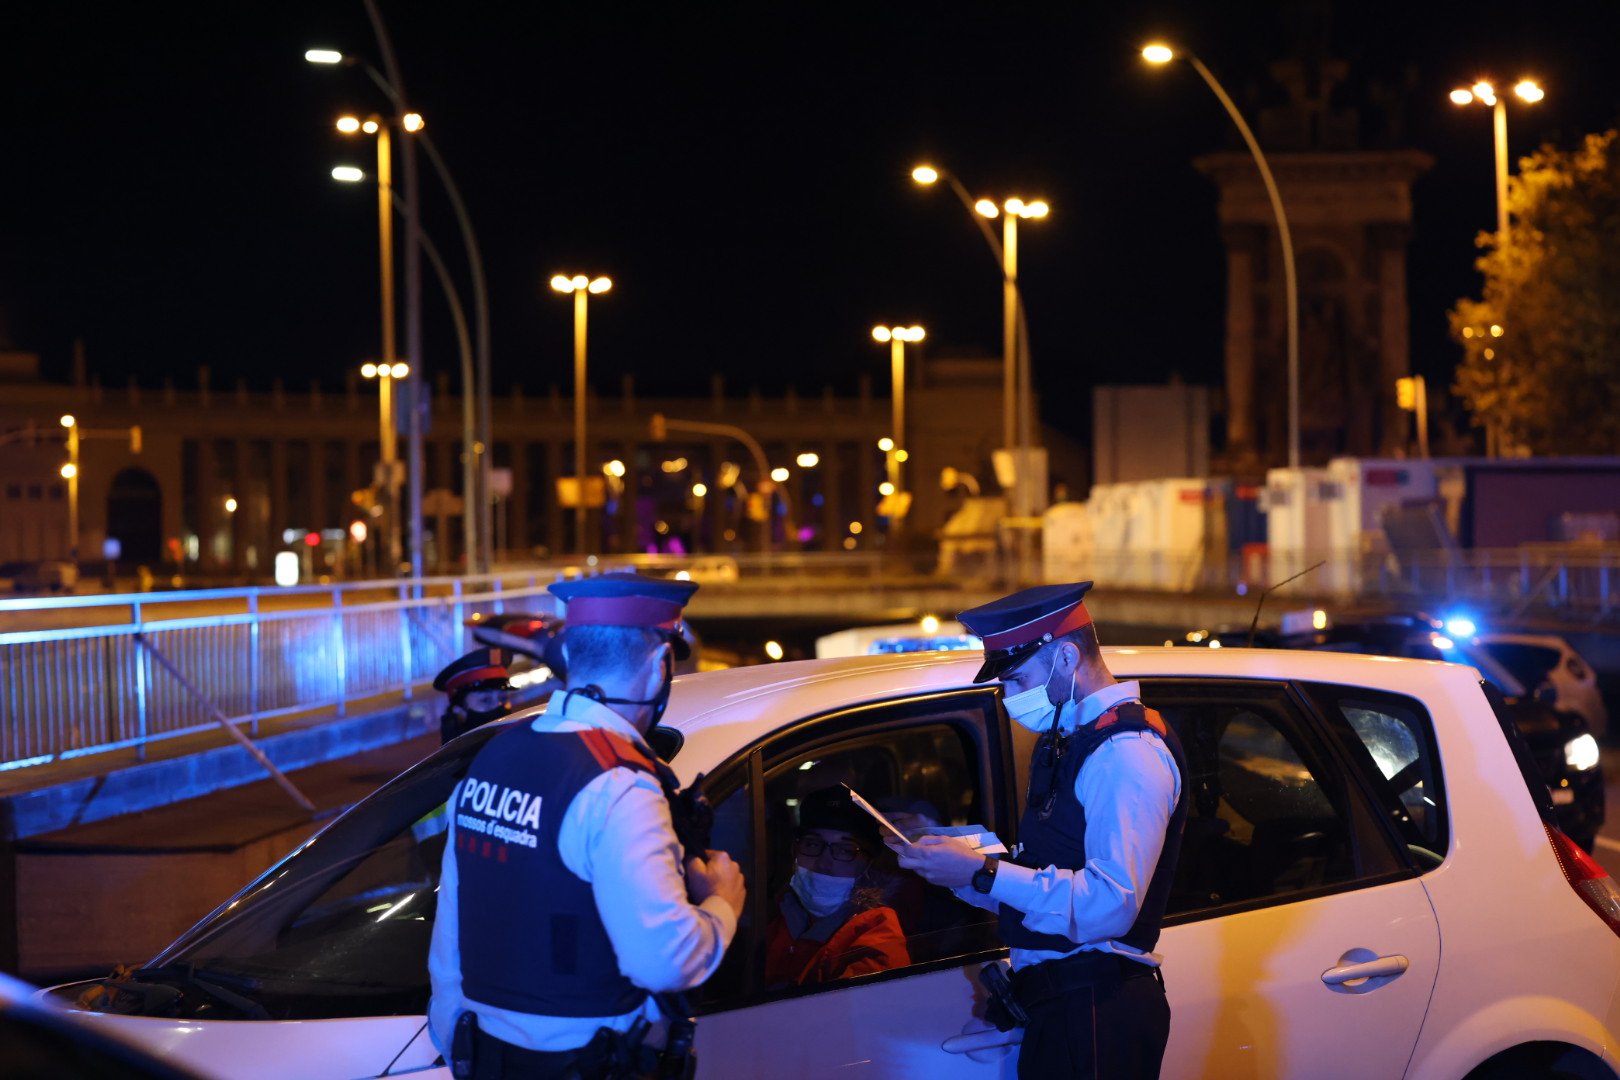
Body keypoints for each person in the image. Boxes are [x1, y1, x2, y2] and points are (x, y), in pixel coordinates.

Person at [428, 572, 746, 1079]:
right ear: (660, 665)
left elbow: (452, 929)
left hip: (486, 1057)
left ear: (571, 659)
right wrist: (722, 905)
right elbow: (663, 962)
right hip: (588, 1065)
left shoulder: (494, 755)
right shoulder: (620, 784)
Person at [892, 581, 1187, 1080]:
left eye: (1017, 678)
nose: (1008, 695)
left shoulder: (1126, 752)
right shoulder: (1076, 739)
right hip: (1068, 1000)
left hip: (1096, 1003)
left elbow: (1110, 905)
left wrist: (984, 873)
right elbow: (1047, 875)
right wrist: (955, 860)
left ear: (1067, 657)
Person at [764, 785, 910, 988]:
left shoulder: (877, 933)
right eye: (813, 844)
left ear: (867, 863)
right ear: (794, 850)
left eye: (844, 849)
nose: (824, 862)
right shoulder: (773, 914)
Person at [433, 646, 515, 744]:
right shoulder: (460, 758)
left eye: (503, 698)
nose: (498, 705)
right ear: (459, 711)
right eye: (485, 700)